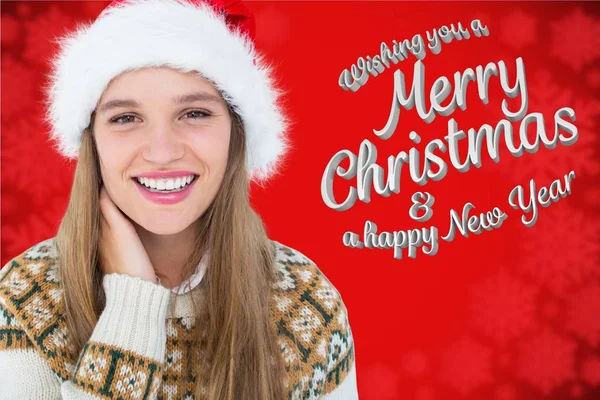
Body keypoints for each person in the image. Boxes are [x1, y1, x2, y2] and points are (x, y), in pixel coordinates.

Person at [0, 0, 358, 399]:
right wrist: (130, 309)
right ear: (92, 141)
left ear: (235, 135)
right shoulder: (24, 299)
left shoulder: (303, 300)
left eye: (194, 113)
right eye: (125, 118)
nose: (162, 151)